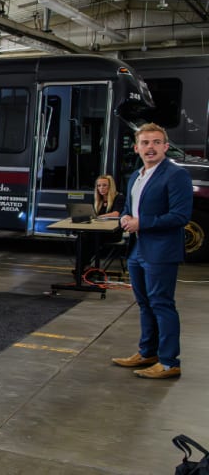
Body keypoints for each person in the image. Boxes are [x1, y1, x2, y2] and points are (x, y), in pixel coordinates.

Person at [112, 123, 193, 379]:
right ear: (136, 148)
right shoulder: (136, 176)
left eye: (156, 142)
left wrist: (141, 223)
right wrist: (125, 217)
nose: (151, 147)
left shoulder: (176, 175)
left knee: (161, 304)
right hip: (137, 249)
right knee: (144, 304)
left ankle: (169, 362)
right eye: (145, 143)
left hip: (161, 251)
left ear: (166, 147)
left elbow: (180, 216)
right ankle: (148, 352)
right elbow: (130, 208)